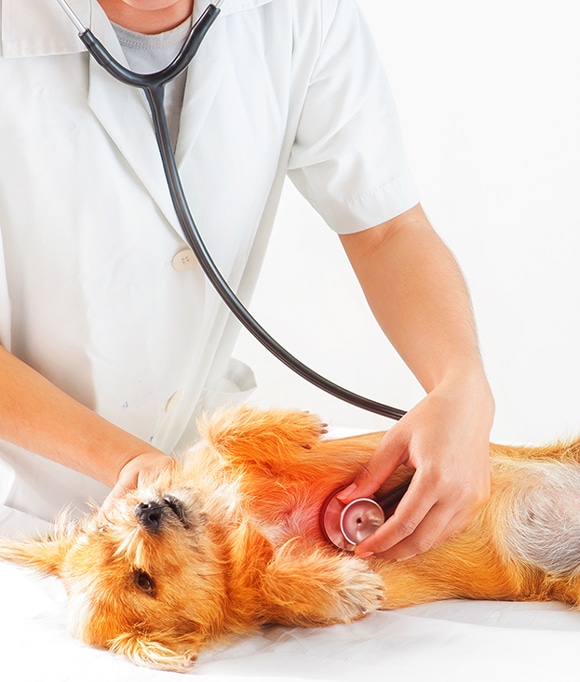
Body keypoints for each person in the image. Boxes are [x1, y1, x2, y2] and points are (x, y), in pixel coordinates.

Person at [0, 0, 494, 561]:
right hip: (23, 511)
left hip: (204, 516)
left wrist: (461, 383)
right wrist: (123, 460)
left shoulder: (299, 13)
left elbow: (387, 228)